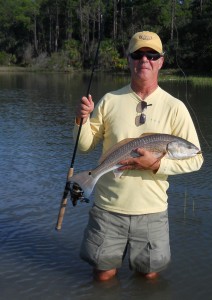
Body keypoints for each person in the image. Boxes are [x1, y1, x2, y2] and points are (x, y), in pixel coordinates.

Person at [73, 31, 204, 281]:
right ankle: (91, 178)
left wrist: (155, 164)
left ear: (161, 61)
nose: (145, 60)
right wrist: (82, 119)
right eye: (138, 54)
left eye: (152, 55)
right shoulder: (110, 100)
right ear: (129, 59)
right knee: (102, 276)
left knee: (149, 278)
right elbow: (84, 146)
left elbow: (196, 159)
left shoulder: (176, 107)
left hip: (152, 212)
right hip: (108, 208)